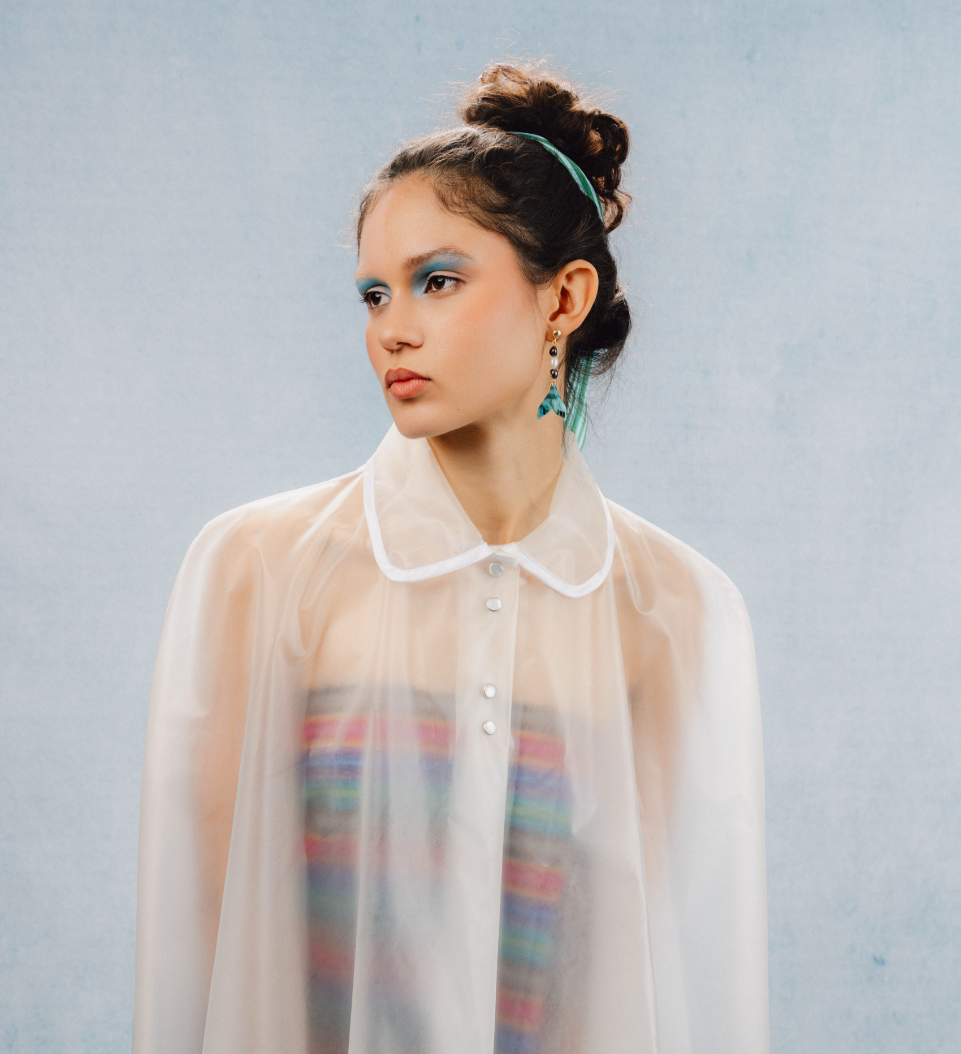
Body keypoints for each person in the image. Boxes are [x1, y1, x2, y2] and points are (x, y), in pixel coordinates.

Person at [132, 62, 768, 1054]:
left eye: (437, 281)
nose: (393, 328)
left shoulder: (670, 610)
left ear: (563, 298)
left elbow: (640, 978)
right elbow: (211, 946)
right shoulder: (260, 569)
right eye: (373, 294)